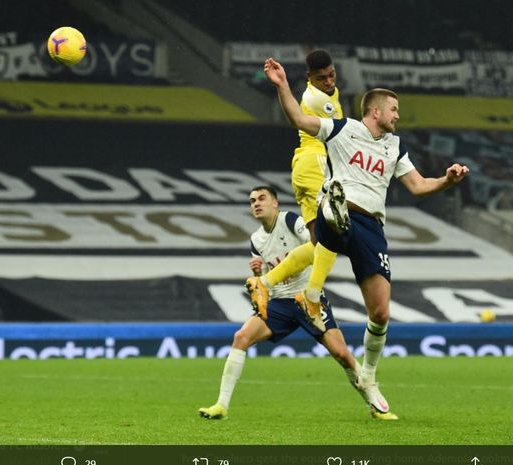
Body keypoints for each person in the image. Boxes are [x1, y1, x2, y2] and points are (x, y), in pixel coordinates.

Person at [263, 57, 470, 408]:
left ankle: (369, 377)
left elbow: (419, 187)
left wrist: (447, 181)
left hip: (372, 227)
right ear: (374, 112)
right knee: (331, 209)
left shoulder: (395, 146)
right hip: (340, 213)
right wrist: (283, 85)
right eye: (394, 109)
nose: (398, 116)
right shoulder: (342, 129)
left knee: (381, 313)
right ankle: (313, 287)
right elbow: (298, 119)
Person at [199, 185, 397, 420]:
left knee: (342, 354)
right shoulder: (256, 239)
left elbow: (318, 246)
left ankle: (374, 405)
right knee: (241, 337)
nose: (256, 204)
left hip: (307, 300)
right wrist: (259, 269)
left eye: (262, 199)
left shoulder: (291, 221)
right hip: (280, 303)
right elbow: (266, 273)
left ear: (276, 203)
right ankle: (221, 406)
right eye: (252, 201)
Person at [245, 50, 342, 331]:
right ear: (310, 78)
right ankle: (309, 296)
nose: (328, 81)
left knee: (317, 243)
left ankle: (266, 283)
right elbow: (298, 119)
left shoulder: (329, 94)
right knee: (334, 236)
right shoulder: (317, 99)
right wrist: (282, 86)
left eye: (331, 75)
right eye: (321, 77)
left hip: (306, 167)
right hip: (316, 165)